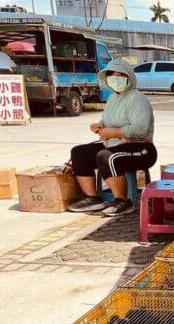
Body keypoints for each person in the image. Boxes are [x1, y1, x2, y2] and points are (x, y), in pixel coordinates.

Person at [67, 58, 156, 217]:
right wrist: (99, 125)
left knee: (107, 156)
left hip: (142, 148)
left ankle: (123, 201)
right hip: (114, 144)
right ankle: (93, 198)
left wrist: (113, 133)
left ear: (129, 76)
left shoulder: (137, 98)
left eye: (119, 75)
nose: (115, 78)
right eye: (111, 75)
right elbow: (107, 121)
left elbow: (140, 129)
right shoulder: (112, 99)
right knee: (79, 152)